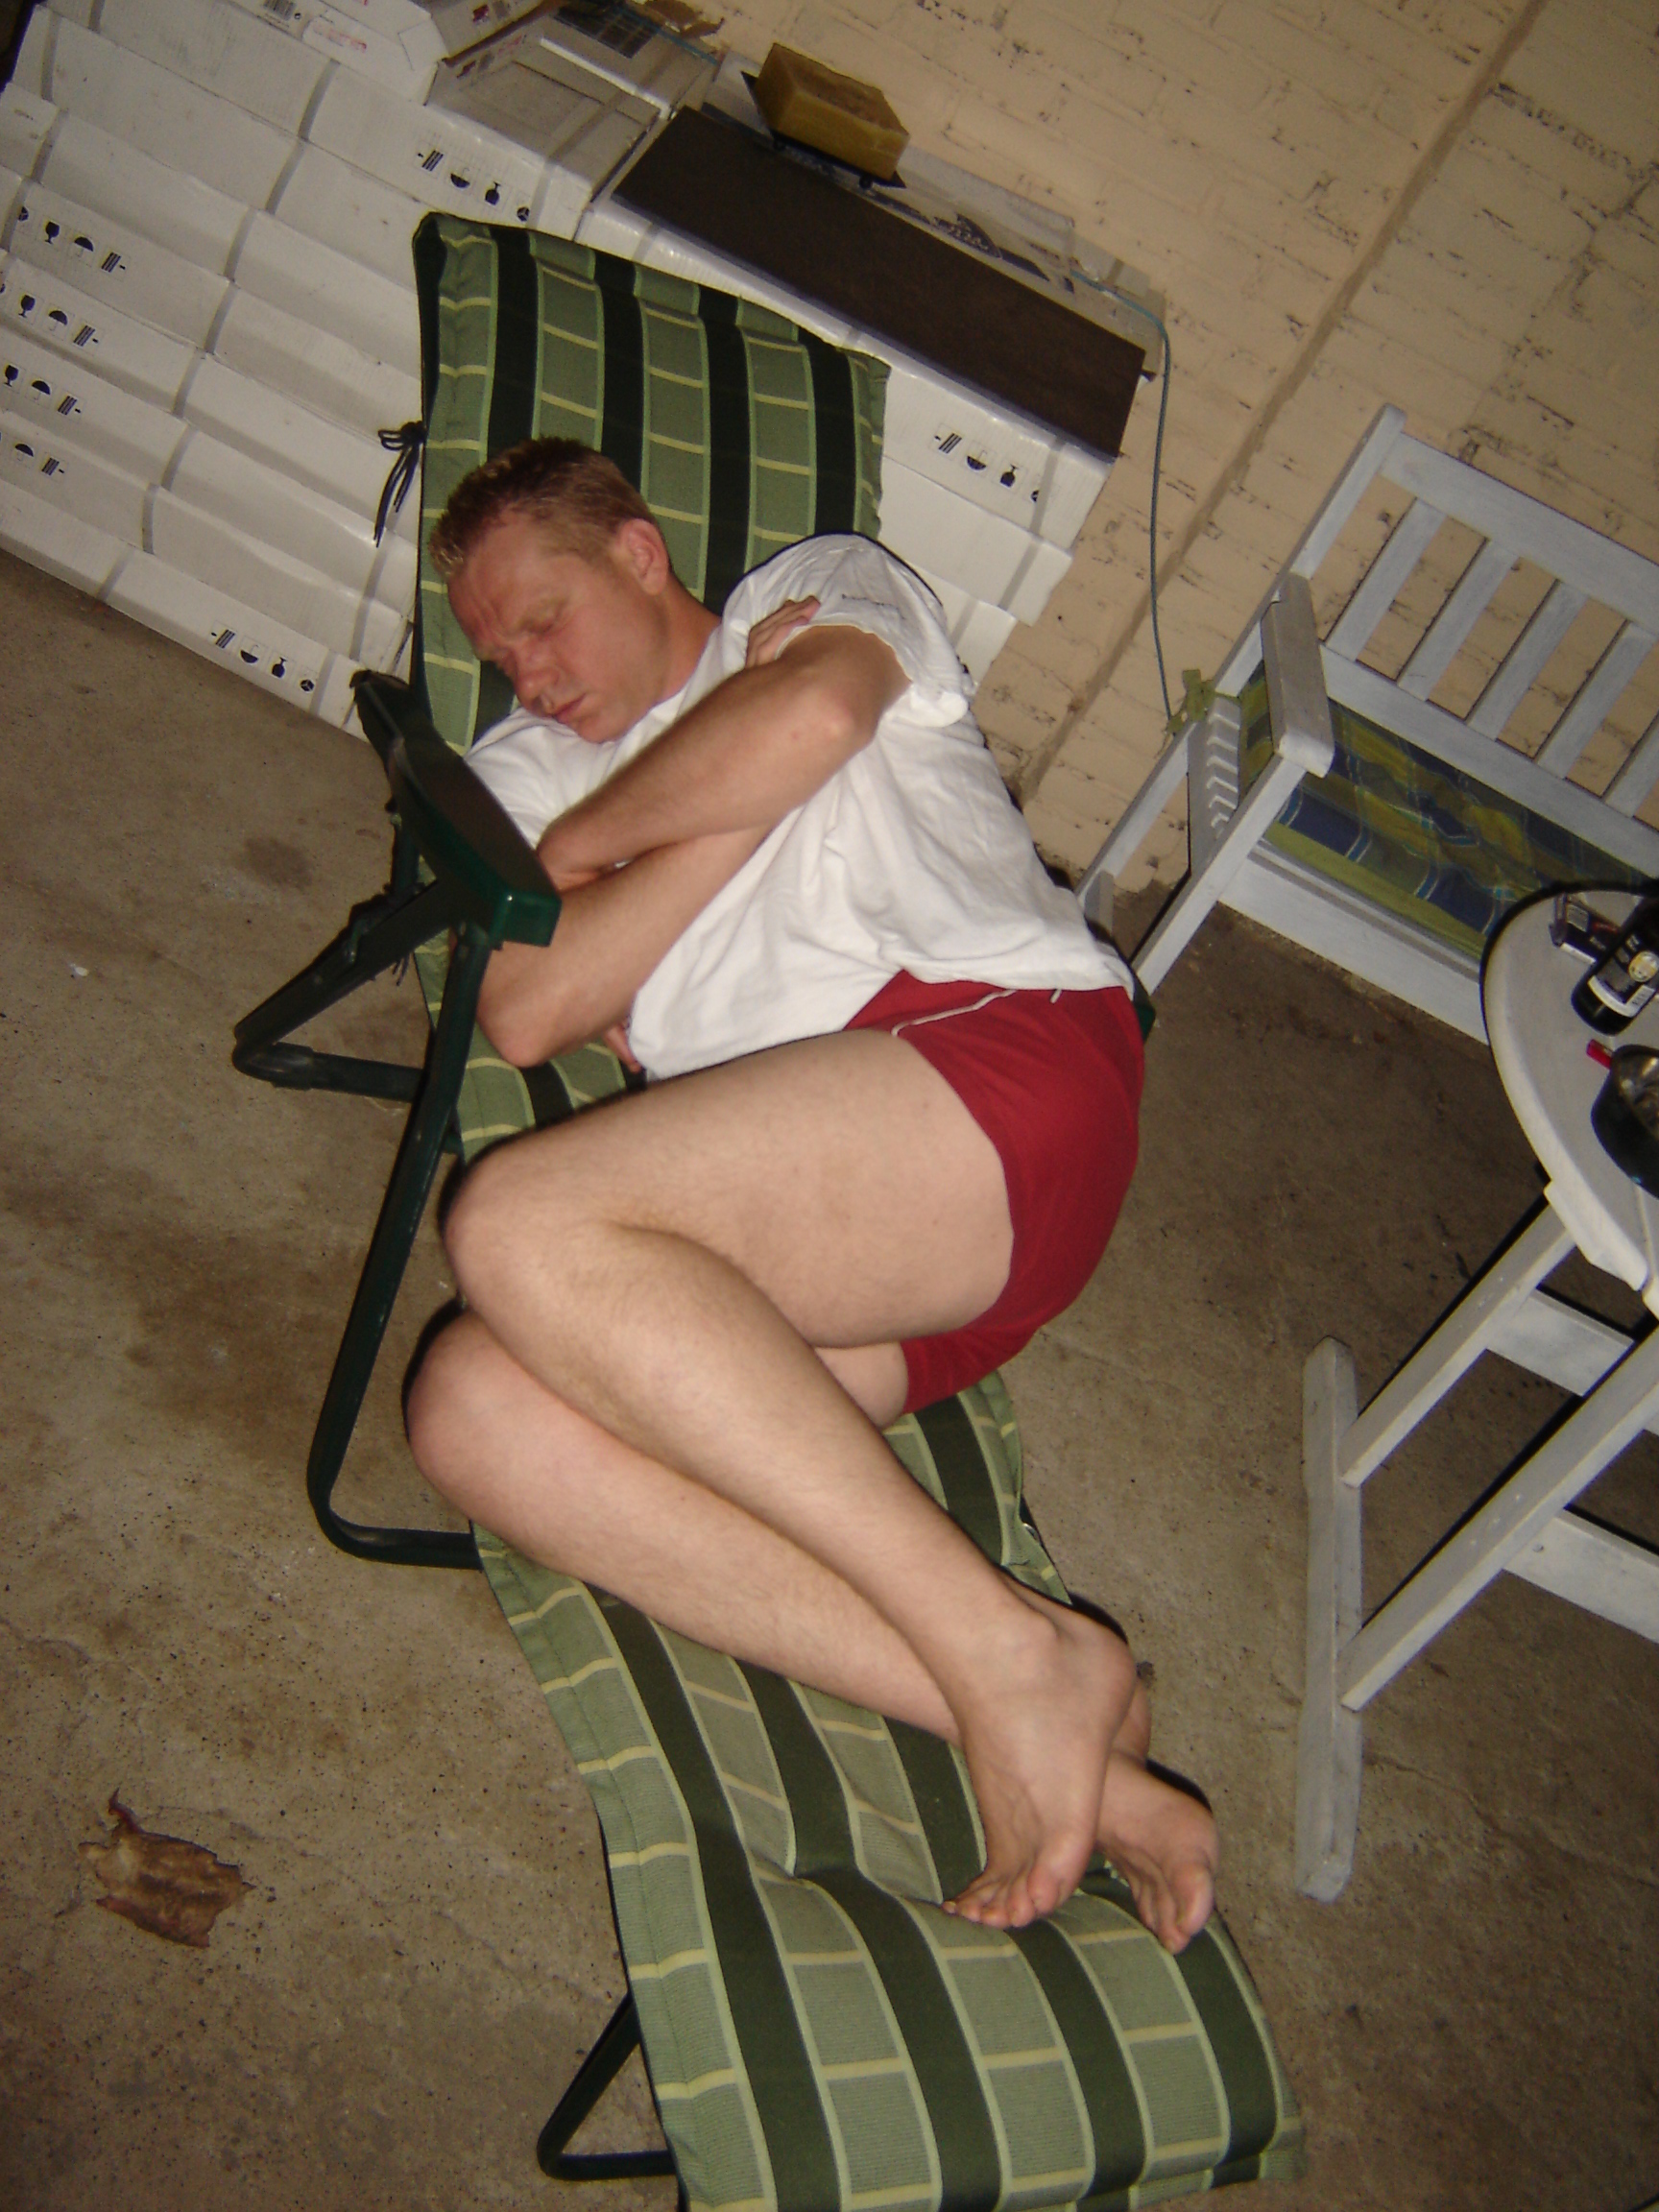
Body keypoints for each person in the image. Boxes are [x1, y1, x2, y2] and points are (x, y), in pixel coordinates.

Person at [404, 437, 1216, 1945]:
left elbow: (824, 711)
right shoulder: (524, 769)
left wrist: (600, 856)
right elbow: (526, 1010)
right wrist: (727, 801)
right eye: (498, 653)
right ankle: (1052, 1717)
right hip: (869, 1270)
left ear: (638, 554)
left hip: (999, 1062)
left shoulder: (820, 587)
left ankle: (1008, 1653)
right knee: (470, 1410)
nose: (528, 675)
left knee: (517, 1223)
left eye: (544, 620)